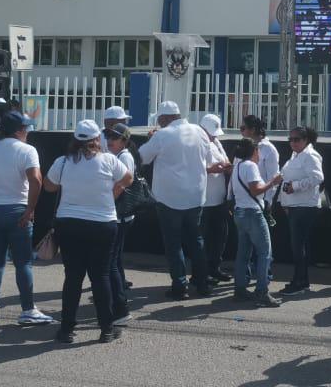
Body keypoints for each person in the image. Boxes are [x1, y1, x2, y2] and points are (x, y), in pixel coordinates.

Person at [44, 119, 133, 343]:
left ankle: (66, 330)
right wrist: (113, 192)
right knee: (100, 276)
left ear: (75, 139)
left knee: (73, 277)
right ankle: (106, 329)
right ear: (97, 139)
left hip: (69, 223)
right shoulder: (109, 160)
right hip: (103, 224)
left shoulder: (63, 162)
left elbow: (49, 186)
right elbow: (128, 178)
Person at [0, 111, 52, 326]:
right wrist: (30, 209)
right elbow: (36, 181)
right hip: (18, 210)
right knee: (23, 262)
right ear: (19, 130)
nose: (28, 132)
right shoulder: (27, 150)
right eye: (26, 128)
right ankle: (28, 309)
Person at [139, 100, 212, 300]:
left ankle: (180, 286)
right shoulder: (199, 131)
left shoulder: (162, 135)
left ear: (165, 118)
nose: (159, 123)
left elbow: (142, 158)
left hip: (169, 198)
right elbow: (208, 157)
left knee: (173, 244)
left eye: (160, 119)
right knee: (197, 242)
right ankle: (203, 283)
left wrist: (150, 140)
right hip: (196, 196)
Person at [229, 137, 282, 307]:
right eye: (257, 151)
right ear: (254, 152)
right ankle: (262, 291)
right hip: (253, 213)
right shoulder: (251, 166)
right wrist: (272, 182)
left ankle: (240, 289)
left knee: (243, 253)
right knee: (264, 252)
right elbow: (256, 190)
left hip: (240, 212)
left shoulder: (237, 166)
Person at [277, 124, 324, 296]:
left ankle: (300, 282)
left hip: (305, 206)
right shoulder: (296, 155)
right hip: (294, 206)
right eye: (290, 139)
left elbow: (318, 177)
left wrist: (295, 187)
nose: (293, 142)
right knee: (298, 246)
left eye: (297, 139)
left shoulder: (310, 155)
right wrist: (284, 200)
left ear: (306, 140)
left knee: (298, 246)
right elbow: (285, 180)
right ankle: (300, 280)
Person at [104, 122, 139, 314]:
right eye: (108, 136)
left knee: (112, 260)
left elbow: (122, 184)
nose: (110, 141)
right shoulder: (116, 155)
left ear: (124, 141)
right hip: (118, 214)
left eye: (114, 138)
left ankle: (118, 299)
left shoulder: (124, 156)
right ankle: (118, 292)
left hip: (119, 214)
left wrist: (107, 203)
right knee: (115, 259)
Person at [199, 114, 233, 285]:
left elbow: (225, 160)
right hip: (204, 200)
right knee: (203, 239)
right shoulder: (197, 143)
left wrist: (225, 167)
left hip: (219, 198)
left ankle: (215, 267)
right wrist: (209, 169)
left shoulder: (217, 142)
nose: (213, 135)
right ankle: (202, 273)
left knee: (219, 236)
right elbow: (193, 167)